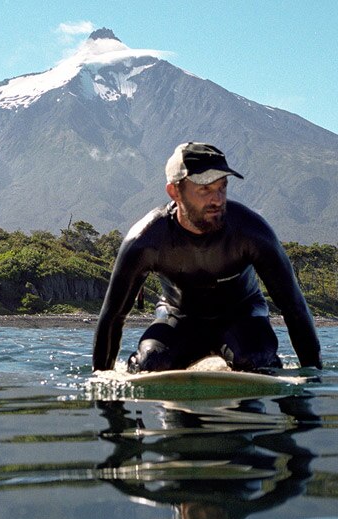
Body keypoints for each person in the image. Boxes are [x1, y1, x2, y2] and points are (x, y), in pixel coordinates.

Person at [92, 142, 322, 373]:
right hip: (177, 318)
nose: (218, 199)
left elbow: (295, 309)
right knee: (151, 363)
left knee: (256, 359)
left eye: (222, 187)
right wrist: (101, 383)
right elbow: (113, 316)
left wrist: (313, 380)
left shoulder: (251, 232)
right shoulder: (146, 240)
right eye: (205, 189)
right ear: (174, 191)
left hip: (242, 316)